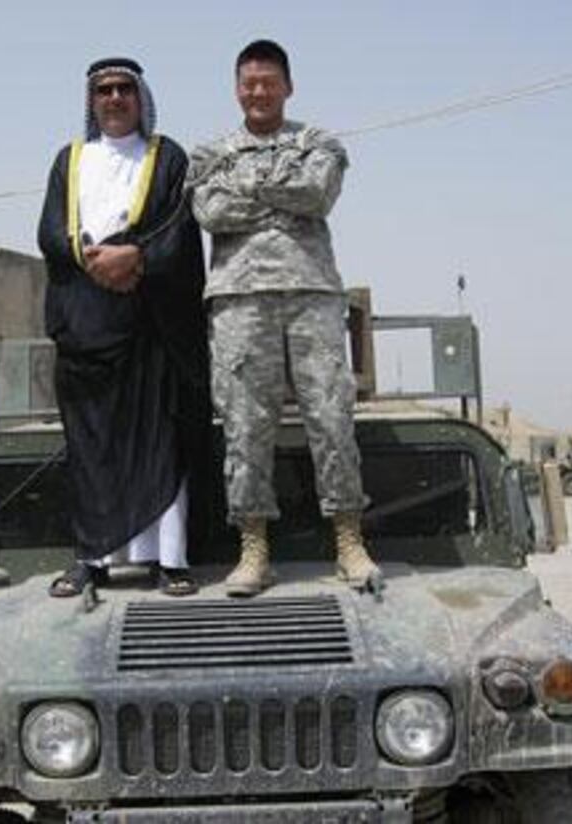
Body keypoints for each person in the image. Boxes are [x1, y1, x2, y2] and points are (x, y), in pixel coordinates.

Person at [188, 40, 380, 597]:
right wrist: (278, 193)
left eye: (268, 81)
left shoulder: (318, 142)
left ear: (287, 86)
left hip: (311, 294)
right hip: (238, 301)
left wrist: (247, 186)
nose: (258, 91)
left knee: (332, 418)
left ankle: (348, 540)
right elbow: (209, 210)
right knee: (245, 427)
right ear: (236, 89)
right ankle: (254, 549)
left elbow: (317, 193)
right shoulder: (210, 152)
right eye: (249, 82)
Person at [38, 57, 209, 598]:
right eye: (104, 90)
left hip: (150, 325)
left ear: (141, 99)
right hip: (87, 328)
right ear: (91, 101)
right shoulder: (70, 160)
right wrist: (94, 261)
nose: (114, 99)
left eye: (124, 90)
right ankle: (91, 560)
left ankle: (171, 561)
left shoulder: (168, 157)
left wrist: (133, 257)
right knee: (92, 449)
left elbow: (181, 232)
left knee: (160, 443)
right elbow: (48, 233)